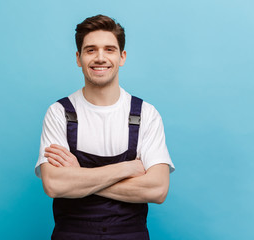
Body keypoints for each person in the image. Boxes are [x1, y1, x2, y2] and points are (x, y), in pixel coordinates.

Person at [35, 14, 175, 240]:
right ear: (79, 58)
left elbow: (157, 190)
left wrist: (79, 176)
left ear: (122, 57)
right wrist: (128, 169)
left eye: (109, 49)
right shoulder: (59, 113)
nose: (100, 58)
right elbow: (54, 185)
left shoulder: (146, 114)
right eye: (91, 50)